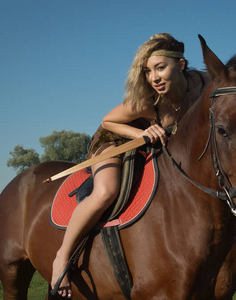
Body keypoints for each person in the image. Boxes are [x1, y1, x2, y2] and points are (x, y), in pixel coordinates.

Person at [51, 33, 208, 298]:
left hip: (153, 140)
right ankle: (61, 259)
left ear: (181, 65)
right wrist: (140, 135)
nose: (153, 78)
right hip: (115, 138)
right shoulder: (148, 100)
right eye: (148, 71)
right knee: (106, 191)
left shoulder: (203, 83)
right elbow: (109, 120)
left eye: (160, 68)